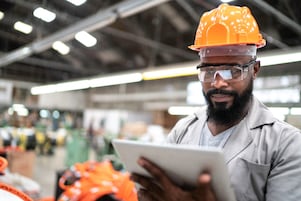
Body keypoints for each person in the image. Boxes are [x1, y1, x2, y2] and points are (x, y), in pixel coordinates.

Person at [130, 3, 301, 201]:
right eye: (209, 71)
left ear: (254, 70)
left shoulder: (287, 143)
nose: (218, 82)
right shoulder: (183, 130)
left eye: (233, 71)